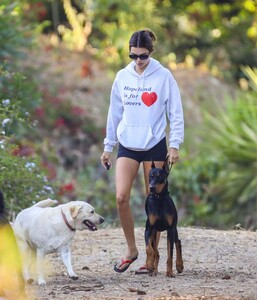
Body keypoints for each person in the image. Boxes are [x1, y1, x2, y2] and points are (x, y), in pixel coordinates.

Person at [100, 29, 184, 273]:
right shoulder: (122, 77)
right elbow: (114, 113)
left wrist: (175, 144)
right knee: (121, 197)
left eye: (143, 56)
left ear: (151, 52)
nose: (138, 60)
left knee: (155, 202)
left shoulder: (163, 76)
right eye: (133, 55)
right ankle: (131, 250)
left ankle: (151, 259)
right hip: (128, 144)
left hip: (154, 144)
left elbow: (175, 113)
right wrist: (108, 146)